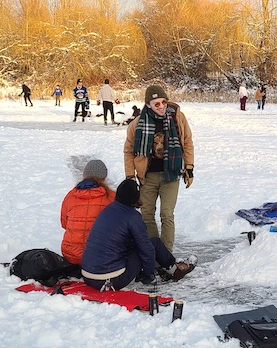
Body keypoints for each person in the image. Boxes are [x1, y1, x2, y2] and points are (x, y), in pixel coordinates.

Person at [80, 179, 195, 290]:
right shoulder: (132, 217)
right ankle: (175, 270)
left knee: (133, 243)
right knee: (154, 243)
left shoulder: (107, 210)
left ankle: (167, 266)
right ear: (134, 197)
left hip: (88, 275)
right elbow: (147, 249)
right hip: (110, 279)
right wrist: (148, 274)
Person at [124, 83, 194, 252]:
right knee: (146, 214)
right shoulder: (137, 124)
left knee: (166, 214)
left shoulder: (178, 118)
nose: (161, 106)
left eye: (164, 102)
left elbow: (187, 142)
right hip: (147, 176)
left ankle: (166, 254)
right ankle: (154, 252)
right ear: (148, 105)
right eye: (156, 104)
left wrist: (189, 167)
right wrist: (130, 176)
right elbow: (128, 151)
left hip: (171, 174)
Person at [60, 158, 115, 266]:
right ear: (104, 177)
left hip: (71, 255)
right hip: (99, 256)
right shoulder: (111, 197)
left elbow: (64, 223)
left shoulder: (70, 196)